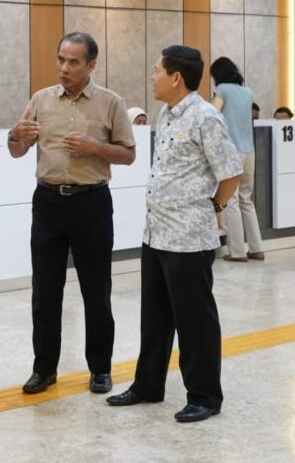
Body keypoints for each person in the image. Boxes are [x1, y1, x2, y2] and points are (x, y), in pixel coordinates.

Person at [107, 45, 242, 423]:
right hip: (156, 233)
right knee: (154, 318)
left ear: (176, 77)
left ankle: (204, 395)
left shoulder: (205, 117)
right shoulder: (166, 113)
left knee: (195, 322)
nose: (152, 76)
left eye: (156, 70)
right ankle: (148, 385)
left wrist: (214, 208)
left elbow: (231, 173)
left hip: (189, 238)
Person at [8, 31, 136, 396]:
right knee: (45, 291)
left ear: (91, 65)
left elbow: (129, 154)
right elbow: (17, 150)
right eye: (61, 60)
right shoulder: (41, 99)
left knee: (96, 290)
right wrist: (15, 136)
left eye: (73, 62)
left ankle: (100, 368)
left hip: (91, 203)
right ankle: (44, 369)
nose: (64, 68)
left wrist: (96, 147)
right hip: (48, 202)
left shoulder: (111, 102)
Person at [210, 57, 265, 262]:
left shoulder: (222, 90)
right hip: (249, 151)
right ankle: (256, 248)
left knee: (230, 200)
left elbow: (212, 114)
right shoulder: (247, 92)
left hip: (231, 151)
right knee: (246, 200)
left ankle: (237, 252)